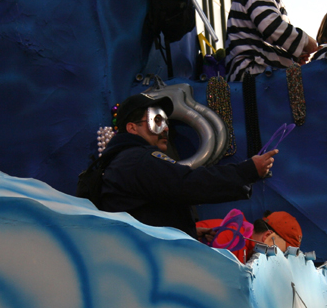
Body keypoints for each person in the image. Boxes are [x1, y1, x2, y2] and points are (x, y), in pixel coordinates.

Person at [99, 93, 277, 238]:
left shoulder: (120, 161)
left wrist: (188, 232)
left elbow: (146, 212)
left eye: (166, 122)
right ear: (132, 128)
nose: (166, 129)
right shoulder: (139, 160)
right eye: (157, 120)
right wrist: (246, 171)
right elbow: (187, 183)